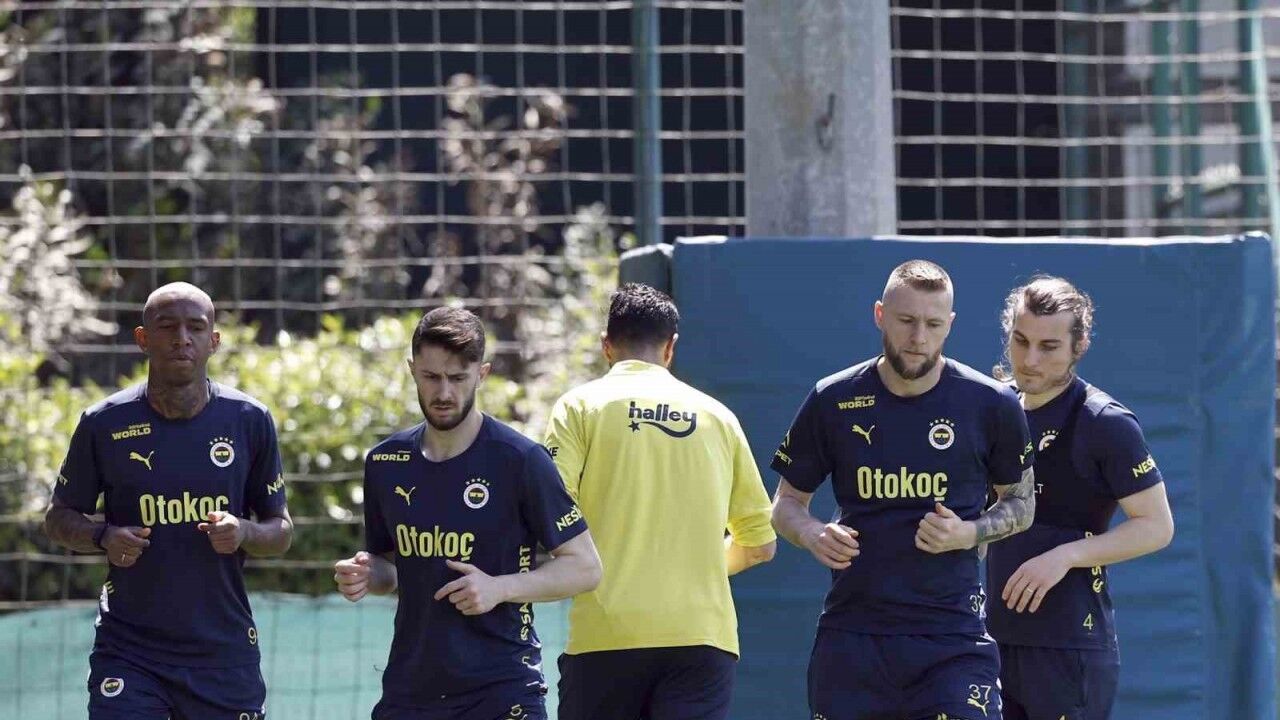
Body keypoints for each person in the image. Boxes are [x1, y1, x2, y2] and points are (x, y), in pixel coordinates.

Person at [770, 259, 1036, 720]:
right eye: (906, 321)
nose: (918, 338)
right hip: (854, 635)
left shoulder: (990, 403)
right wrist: (812, 533)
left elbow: (1022, 501)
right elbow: (786, 504)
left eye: (933, 324)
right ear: (880, 315)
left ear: (950, 324)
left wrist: (968, 532)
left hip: (952, 637)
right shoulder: (834, 398)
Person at [334, 306, 602, 720]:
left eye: (458, 378)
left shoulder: (520, 460)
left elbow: (585, 567)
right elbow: (390, 567)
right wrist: (367, 574)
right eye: (431, 376)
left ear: (482, 374)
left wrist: (500, 588)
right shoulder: (386, 463)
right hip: (411, 691)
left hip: (502, 691)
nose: (444, 392)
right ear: (412, 370)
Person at [43, 282, 293, 720]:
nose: (182, 339)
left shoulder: (249, 420)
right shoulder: (104, 423)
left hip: (222, 651)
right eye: (167, 327)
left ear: (213, 341)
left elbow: (281, 530)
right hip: (130, 650)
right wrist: (103, 536)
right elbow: (58, 517)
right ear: (143, 339)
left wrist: (244, 531)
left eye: (195, 327)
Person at [544, 283, 776, 720]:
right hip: (702, 638)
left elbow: (551, 510)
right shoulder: (719, 418)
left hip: (605, 636)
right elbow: (760, 545)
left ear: (606, 345)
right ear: (671, 347)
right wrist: (694, 564)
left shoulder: (578, 407)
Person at [985, 276, 1174, 720]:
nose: (1030, 360)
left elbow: (1157, 526)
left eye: (1049, 346)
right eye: (1020, 341)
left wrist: (1064, 556)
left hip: (1069, 646)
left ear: (1079, 345)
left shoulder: (1104, 422)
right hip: (989, 639)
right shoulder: (994, 408)